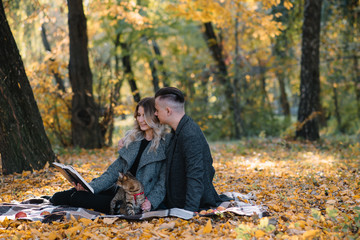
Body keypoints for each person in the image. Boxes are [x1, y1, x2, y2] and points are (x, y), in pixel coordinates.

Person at [50, 97, 168, 213]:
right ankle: (80, 193)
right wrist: (90, 188)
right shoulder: (133, 139)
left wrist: (151, 202)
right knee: (60, 196)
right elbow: (112, 172)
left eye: (144, 116)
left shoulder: (165, 144)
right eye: (138, 115)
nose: (141, 119)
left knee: (78, 198)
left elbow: (162, 183)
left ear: (154, 115)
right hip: (118, 189)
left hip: (135, 200)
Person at [154, 87, 231, 212]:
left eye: (157, 110)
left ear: (168, 111)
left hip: (189, 203)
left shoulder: (189, 133)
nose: (155, 114)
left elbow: (196, 173)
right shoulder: (177, 131)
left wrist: (189, 210)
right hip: (174, 200)